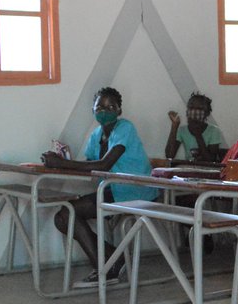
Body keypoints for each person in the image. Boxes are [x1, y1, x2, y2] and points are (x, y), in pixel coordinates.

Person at [41, 87, 157, 288]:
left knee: (67, 214)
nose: (105, 110)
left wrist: (61, 164)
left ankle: (105, 267)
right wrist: (63, 159)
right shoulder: (96, 135)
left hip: (135, 191)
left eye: (111, 106)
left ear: (119, 110)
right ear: (93, 110)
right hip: (112, 190)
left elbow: (103, 164)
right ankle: (112, 258)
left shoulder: (125, 128)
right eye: (100, 106)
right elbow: (89, 164)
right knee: (63, 216)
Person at [165, 91, 221, 162]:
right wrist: (174, 126)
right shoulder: (183, 130)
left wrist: (198, 135)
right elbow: (169, 155)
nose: (194, 112)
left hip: (207, 169)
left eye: (199, 109)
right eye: (191, 107)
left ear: (207, 113)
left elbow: (211, 160)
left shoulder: (213, 131)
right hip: (188, 168)